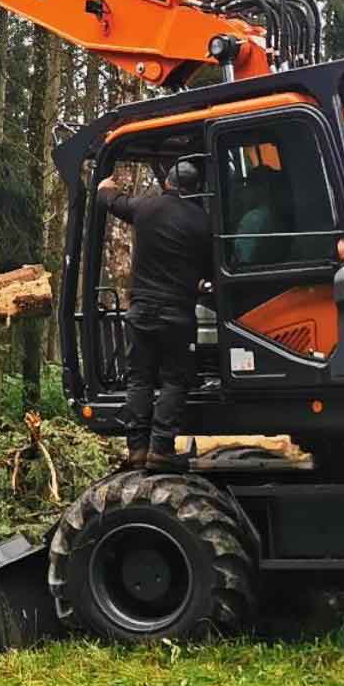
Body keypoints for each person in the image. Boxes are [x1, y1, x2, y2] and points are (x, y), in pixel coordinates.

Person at [98, 157, 212, 473]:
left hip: (142, 311)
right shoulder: (202, 222)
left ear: (167, 184)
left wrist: (106, 187)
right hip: (176, 314)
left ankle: (136, 449)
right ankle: (161, 449)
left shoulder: (146, 209)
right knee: (175, 379)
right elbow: (208, 270)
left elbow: (110, 199)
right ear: (195, 189)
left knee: (140, 378)